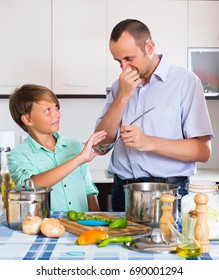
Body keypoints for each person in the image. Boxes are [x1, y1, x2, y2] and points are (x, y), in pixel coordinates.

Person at [95, 19, 213, 225]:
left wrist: (148, 142)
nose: (124, 68)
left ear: (149, 47)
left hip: (167, 192)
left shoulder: (185, 82)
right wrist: (122, 97)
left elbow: (203, 151)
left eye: (129, 58)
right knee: (121, 253)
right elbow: (100, 144)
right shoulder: (119, 86)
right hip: (122, 189)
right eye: (118, 61)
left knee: (167, 253)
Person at [8, 84, 107, 212]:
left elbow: (89, 190)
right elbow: (31, 187)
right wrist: (80, 159)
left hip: (81, 226)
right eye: (48, 110)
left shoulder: (74, 146)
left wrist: (97, 222)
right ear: (27, 119)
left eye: (56, 107)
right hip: (47, 227)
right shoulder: (18, 156)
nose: (57, 114)